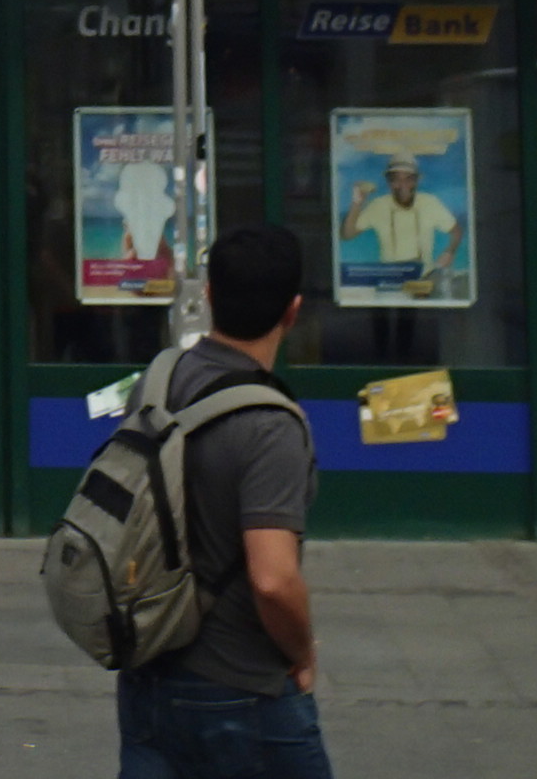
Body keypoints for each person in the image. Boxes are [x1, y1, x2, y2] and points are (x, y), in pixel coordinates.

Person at [117, 223, 329, 779]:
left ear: (209, 294)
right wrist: (303, 653)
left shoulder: (158, 382)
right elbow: (273, 579)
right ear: (293, 311)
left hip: (149, 673)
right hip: (240, 690)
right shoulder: (271, 425)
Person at [342, 153, 461, 295]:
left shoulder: (430, 202)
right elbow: (347, 234)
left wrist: (450, 252)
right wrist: (357, 203)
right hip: (389, 281)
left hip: (424, 279)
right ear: (389, 182)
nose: (402, 185)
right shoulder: (378, 205)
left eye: (408, 179)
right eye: (396, 179)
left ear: (417, 181)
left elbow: (456, 231)